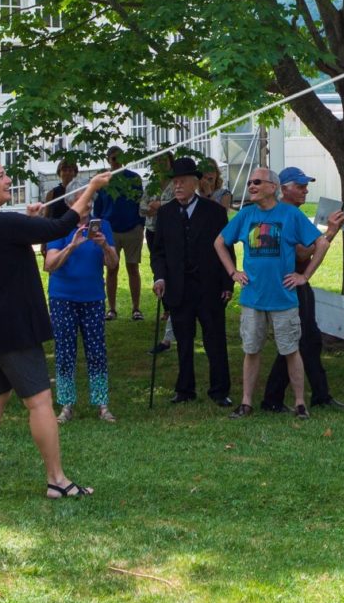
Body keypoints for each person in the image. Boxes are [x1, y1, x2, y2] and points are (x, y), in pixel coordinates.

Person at [0, 157, 111, 497]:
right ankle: (57, 480)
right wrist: (92, 187)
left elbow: (12, 247)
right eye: (1, 176)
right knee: (38, 401)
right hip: (9, 324)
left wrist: (30, 221)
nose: (8, 180)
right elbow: (61, 226)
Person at [217, 166, 329, 419]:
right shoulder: (246, 215)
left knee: (291, 349)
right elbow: (219, 243)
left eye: (257, 182)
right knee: (251, 350)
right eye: (250, 183)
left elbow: (320, 242)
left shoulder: (290, 215)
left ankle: (300, 403)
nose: (252, 186)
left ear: (273, 187)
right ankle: (246, 402)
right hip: (252, 298)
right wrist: (233, 272)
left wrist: (305, 275)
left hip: (283, 298)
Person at [148, 157, 234, 406]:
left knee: (214, 340)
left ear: (195, 182)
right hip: (178, 287)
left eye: (182, 181)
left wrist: (227, 284)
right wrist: (160, 277)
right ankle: (185, 389)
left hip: (209, 287)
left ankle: (219, 390)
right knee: (183, 341)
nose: (177, 186)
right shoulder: (165, 213)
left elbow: (226, 249)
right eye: (174, 182)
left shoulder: (214, 212)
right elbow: (158, 252)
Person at [262, 167, 344, 412]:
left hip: (299, 284)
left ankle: (318, 395)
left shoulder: (292, 212)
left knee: (308, 340)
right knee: (297, 341)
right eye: (299, 186)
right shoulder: (285, 214)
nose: (305, 190)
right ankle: (273, 399)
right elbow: (301, 252)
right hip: (291, 285)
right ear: (283, 188)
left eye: (305, 185)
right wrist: (329, 233)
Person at [44, 185, 116, 423]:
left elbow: (113, 264)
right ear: (69, 203)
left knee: (97, 351)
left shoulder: (103, 226)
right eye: (82, 199)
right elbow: (49, 264)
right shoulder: (59, 227)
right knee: (65, 351)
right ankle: (66, 405)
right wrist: (72, 244)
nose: (87, 203)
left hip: (93, 298)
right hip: (63, 298)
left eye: (89, 199)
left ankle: (102, 404)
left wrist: (104, 245)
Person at [95, 145, 146, 320]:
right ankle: (112, 309)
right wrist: (100, 228)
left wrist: (140, 224)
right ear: (108, 159)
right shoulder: (103, 181)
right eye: (114, 158)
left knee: (133, 267)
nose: (118, 162)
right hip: (110, 230)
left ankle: (136, 308)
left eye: (120, 158)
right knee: (111, 268)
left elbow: (141, 203)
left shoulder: (134, 179)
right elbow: (98, 208)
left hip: (133, 229)